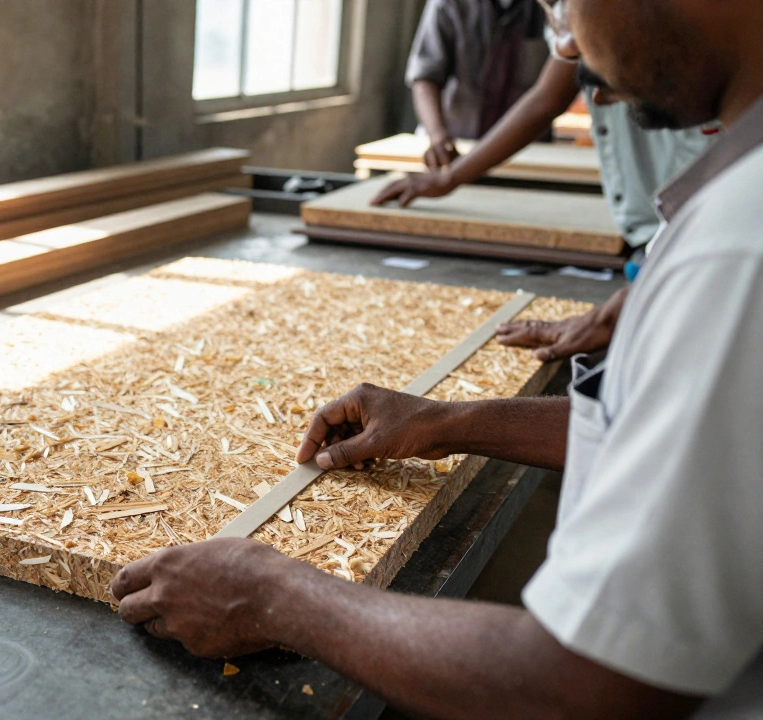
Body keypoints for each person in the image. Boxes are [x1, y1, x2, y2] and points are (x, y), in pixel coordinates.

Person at [110, 0, 763, 716]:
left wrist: (271, 595)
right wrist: (444, 421)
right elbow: (681, 443)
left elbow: (577, 686)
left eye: (567, 1)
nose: (567, 44)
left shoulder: (736, 249)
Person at [384, 10, 716, 361]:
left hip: (688, 229)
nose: (568, 47)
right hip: (657, 232)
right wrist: (450, 175)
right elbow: (544, 98)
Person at [405, 0, 549, 170]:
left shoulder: (549, 7)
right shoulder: (450, 4)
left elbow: (549, 94)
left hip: (527, 155)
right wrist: (437, 134)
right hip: (457, 146)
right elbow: (425, 77)